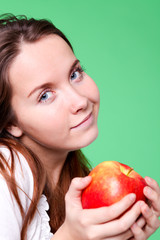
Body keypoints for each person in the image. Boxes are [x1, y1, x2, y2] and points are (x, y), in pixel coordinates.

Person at [0, 13, 159, 240]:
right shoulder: (6, 171)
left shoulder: (73, 179)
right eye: (45, 95)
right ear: (10, 122)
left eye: (75, 74)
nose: (80, 101)